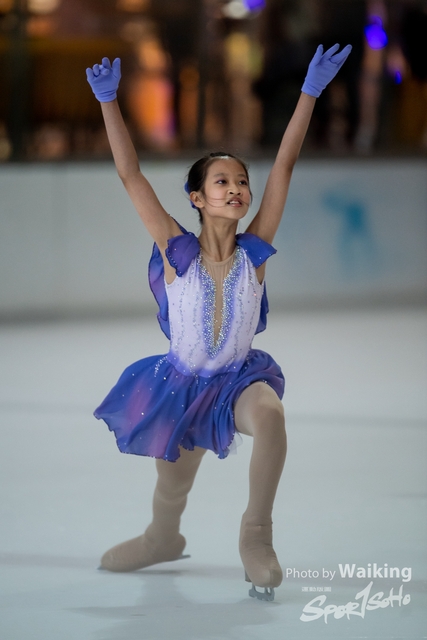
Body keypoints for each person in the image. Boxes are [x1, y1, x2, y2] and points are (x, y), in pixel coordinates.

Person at [86, 43, 351, 602]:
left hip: (236, 381)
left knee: (271, 416)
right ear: (198, 198)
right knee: (172, 487)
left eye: (241, 182)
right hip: (180, 386)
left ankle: (256, 534)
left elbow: (284, 166)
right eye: (222, 182)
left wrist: (310, 92)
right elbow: (131, 175)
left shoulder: (255, 251)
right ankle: (161, 538)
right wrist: (109, 102)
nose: (236, 189)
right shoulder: (176, 250)